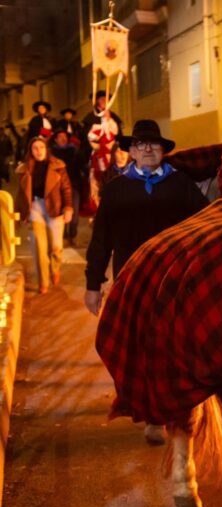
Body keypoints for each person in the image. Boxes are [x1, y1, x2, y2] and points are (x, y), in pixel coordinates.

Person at [84, 120, 208, 445]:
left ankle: (171, 412)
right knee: (137, 349)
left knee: (171, 349)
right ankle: (150, 413)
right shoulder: (115, 190)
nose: (148, 148)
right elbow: (101, 241)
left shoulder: (181, 186)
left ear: (163, 150)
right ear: (132, 151)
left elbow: (205, 226)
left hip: (173, 282)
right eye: (141, 144)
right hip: (130, 282)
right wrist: (93, 284)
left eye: (154, 144)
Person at [15, 136, 73, 293]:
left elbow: (66, 188)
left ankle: (54, 269)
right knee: (38, 246)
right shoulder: (25, 169)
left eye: (41, 147)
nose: (38, 151)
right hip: (35, 208)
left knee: (56, 246)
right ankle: (43, 281)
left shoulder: (58, 166)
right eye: (35, 148)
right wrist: (18, 214)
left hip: (55, 208)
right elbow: (20, 193)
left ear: (46, 149)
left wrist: (68, 207)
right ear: (30, 151)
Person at [50, 129, 84, 246]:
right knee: (60, 211)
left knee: (74, 212)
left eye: (65, 136)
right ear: (55, 139)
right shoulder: (51, 154)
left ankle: (72, 236)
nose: (63, 138)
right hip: (57, 187)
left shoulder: (74, 151)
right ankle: (63, 236)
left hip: (74, 185)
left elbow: (82, 165)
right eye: (60, 136)